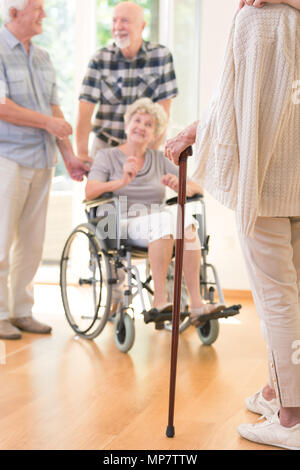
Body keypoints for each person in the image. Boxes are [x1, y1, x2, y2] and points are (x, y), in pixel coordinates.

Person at [165, 2, 300, 450]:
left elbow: (235, 105)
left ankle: (291, 417)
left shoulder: (253, 19)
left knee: (277, 298)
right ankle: (275, 392)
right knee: (291, 296)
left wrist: (190, 133)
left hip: (264, 183)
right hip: (296, 177)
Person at [86, 98, 224, 324]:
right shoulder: (107, 156)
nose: (141, 126)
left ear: (155, 133)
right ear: (126, 125)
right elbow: (90, 191)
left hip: (158, 223)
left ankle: (196, 304)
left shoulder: (159, 159)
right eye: (137, 120)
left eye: (149, 124)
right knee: (164, 221)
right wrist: (121, 182)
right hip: (121, 224)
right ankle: (160, 301)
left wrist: (181, 186)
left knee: (187, 222)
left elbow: (197, 187)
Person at [0, 0, 89, 340]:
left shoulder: (42, 56)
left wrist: (69, 157)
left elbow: (55, 110)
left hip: (42, 159)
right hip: (8, 158)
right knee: (1, 240)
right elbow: (2, 107)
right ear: (14, 13)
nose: (45, 15)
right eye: (37, 8)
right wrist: (48, 122)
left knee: (33, 244)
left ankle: (21, 311)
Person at [76, 1, 178, 164]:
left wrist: (147, 155)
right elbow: (85, 110)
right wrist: (82, 154)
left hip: (145, 148)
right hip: (105, 148)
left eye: (125, 21)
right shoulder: (100, 59)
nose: (118, 26)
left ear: (142, 26)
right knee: (100, 190)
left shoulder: (161, 56)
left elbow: (163, 113)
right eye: (114, 21)